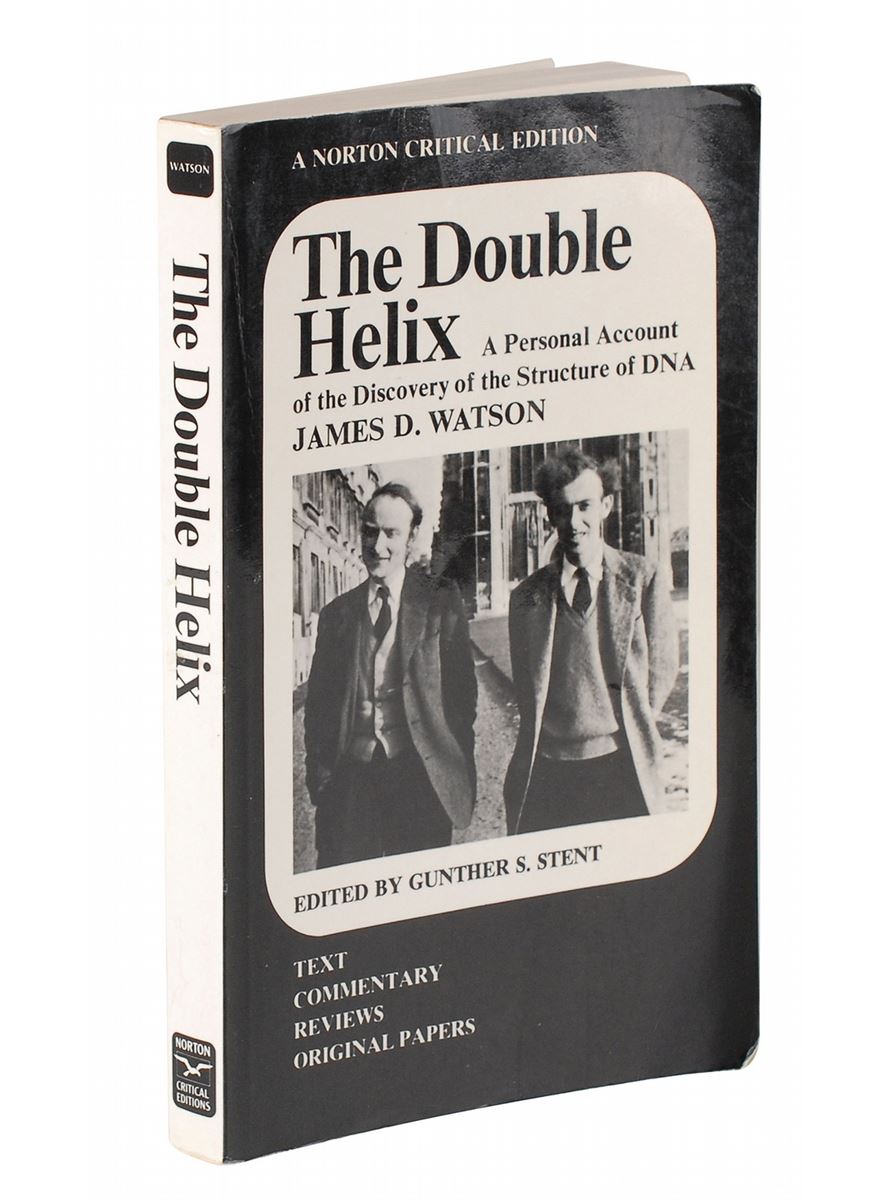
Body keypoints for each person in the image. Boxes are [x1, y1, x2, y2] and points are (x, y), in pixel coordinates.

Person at [504, 448, 678, 834]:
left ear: (606, 507)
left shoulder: (643, 578)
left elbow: (664, 668)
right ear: (549, 515)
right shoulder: (526, 598)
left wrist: (632, 718)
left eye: (584, 506)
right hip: (548, 775)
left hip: (622, 769)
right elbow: (526, 685)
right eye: (562, 510)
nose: (574, 522)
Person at [304, 481, 477, 868]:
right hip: (351, 786)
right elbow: (318, 708)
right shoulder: (337, 616)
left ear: (411, 539)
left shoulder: (440, 601)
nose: (377, 545)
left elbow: (463, 697)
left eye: (391, 533)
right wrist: (322, 780)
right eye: (370, 531)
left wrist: (453, 766)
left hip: (419, 781)